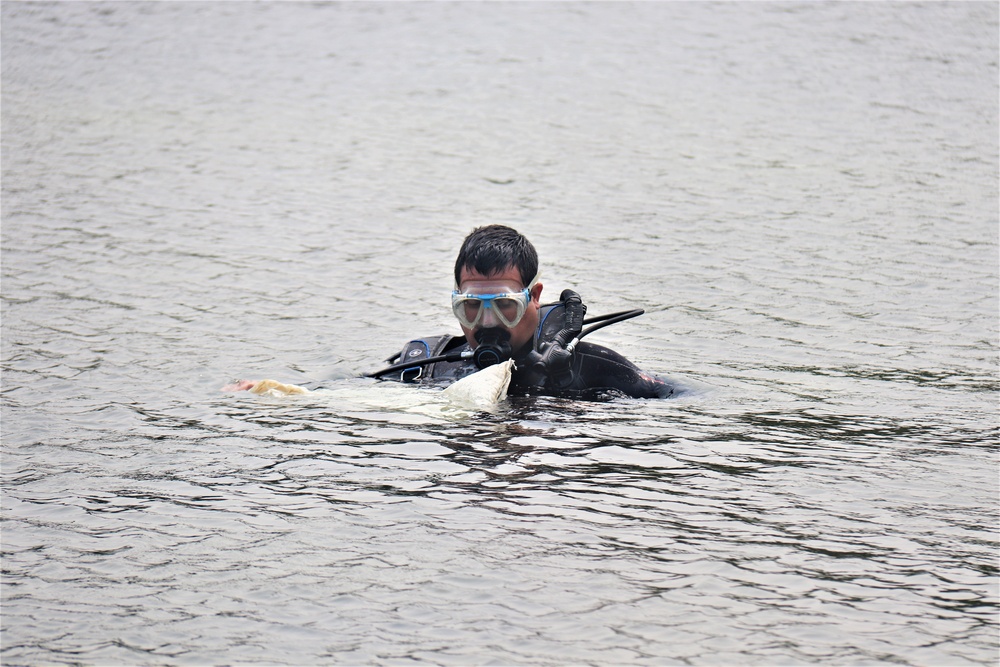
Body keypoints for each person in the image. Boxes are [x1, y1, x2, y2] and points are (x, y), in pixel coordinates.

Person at [377, 225, 673, 400]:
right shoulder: (423, 367)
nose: (488, 322)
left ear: (534, 296)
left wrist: (573, 401)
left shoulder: (590, 367)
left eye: (506, 305)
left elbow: (681, 399)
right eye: (472, 306)